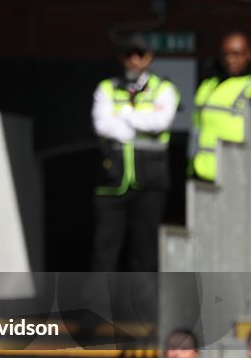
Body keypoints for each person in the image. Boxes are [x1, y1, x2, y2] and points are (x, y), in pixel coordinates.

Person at [91, 35, 179, 272]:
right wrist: (139, 122)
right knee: (105, 249)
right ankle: (98, 309)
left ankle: (143, 309)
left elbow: (160, 122)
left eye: (139, 54)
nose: (134, 60)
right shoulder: (107, 87)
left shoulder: (164, 88)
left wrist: (125, 115)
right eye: (129, 54)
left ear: (149, 57)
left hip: (150, 181)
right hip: (112, 181)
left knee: (145, 251)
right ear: (121, 57)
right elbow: (102, 125)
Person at [191, 31, 251, 182]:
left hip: (239, 174)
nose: (230, 59)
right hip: (202, 171)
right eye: (225, 54)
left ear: (248, 54)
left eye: (236, 54)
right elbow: (196, 130)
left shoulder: (248, 86)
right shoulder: (207, 86)